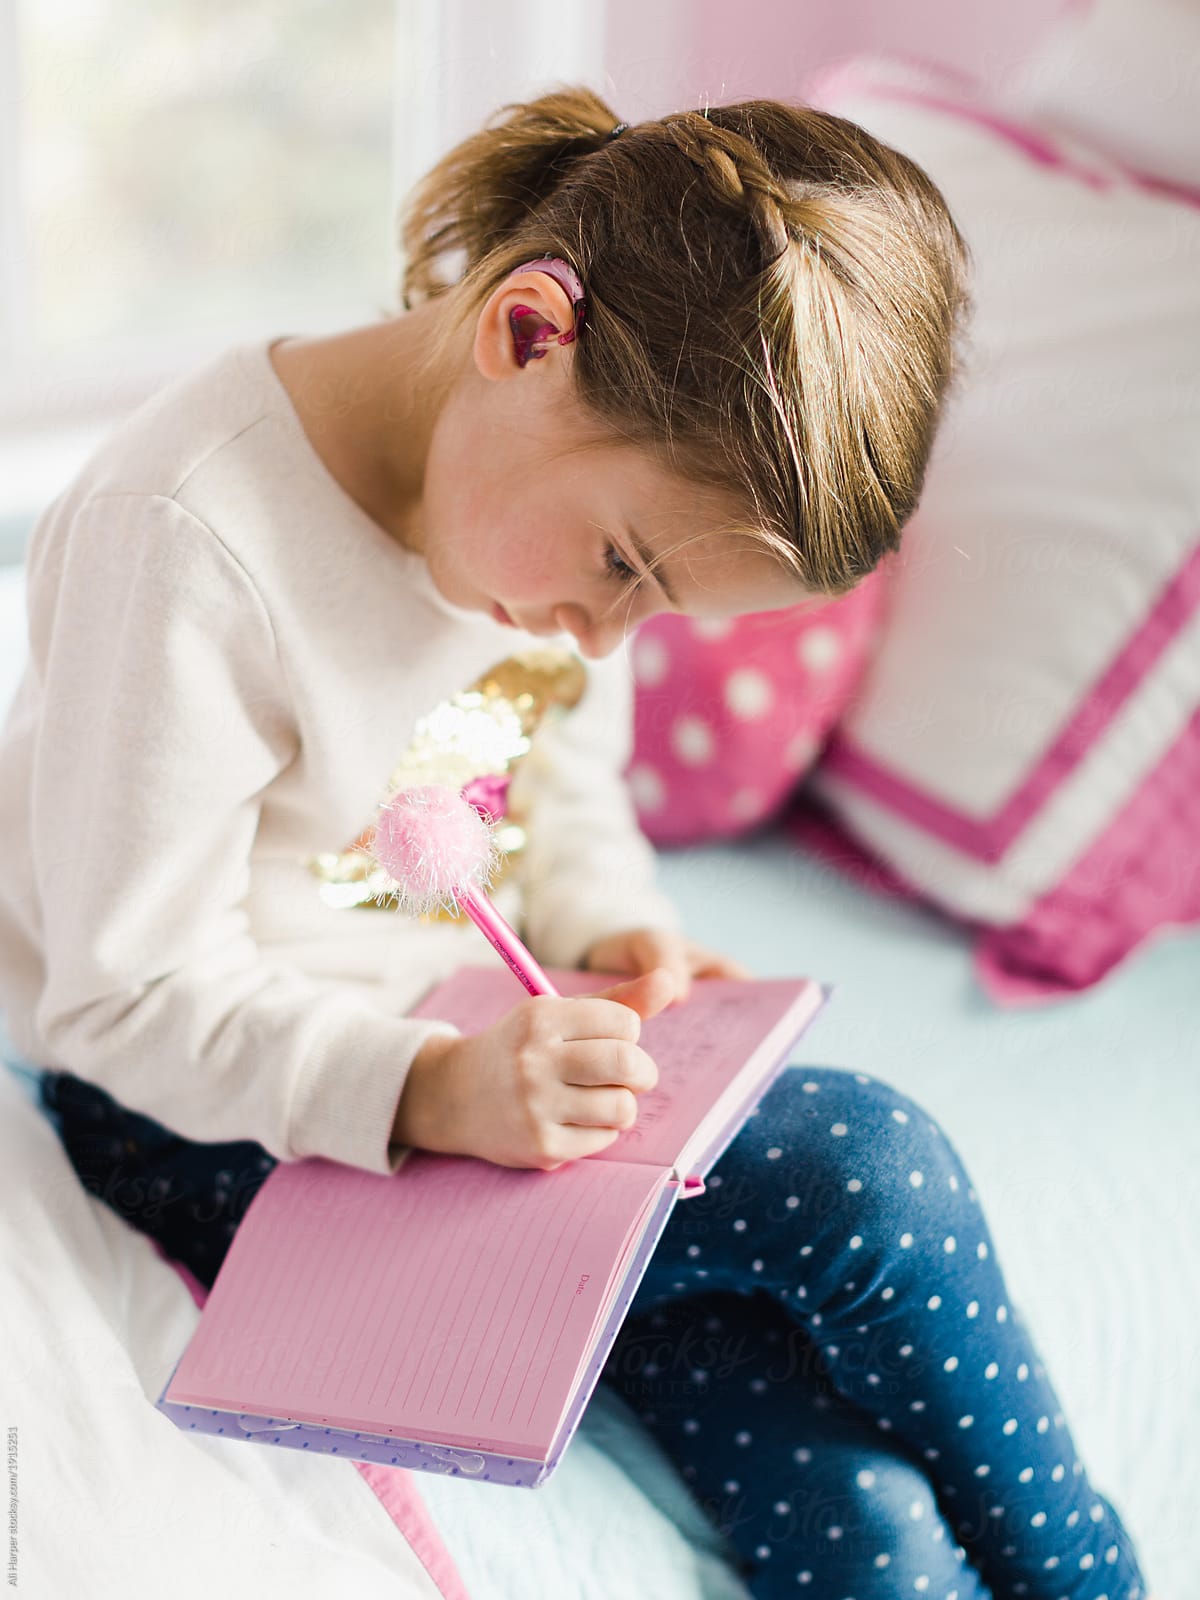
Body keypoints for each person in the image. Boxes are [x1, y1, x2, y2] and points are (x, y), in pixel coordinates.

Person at [0, 86, 1145, 1598]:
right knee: (865, 1172)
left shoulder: (538, 555)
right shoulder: (190, 539)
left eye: (657, 609)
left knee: (862, 1521)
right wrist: (430, 1087)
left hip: (464, 1050)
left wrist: (611, 930)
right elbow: (119, 1002)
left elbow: (558, 789)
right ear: (528, 334)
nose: (610, 637)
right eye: (624, 564)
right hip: (217, 1123)